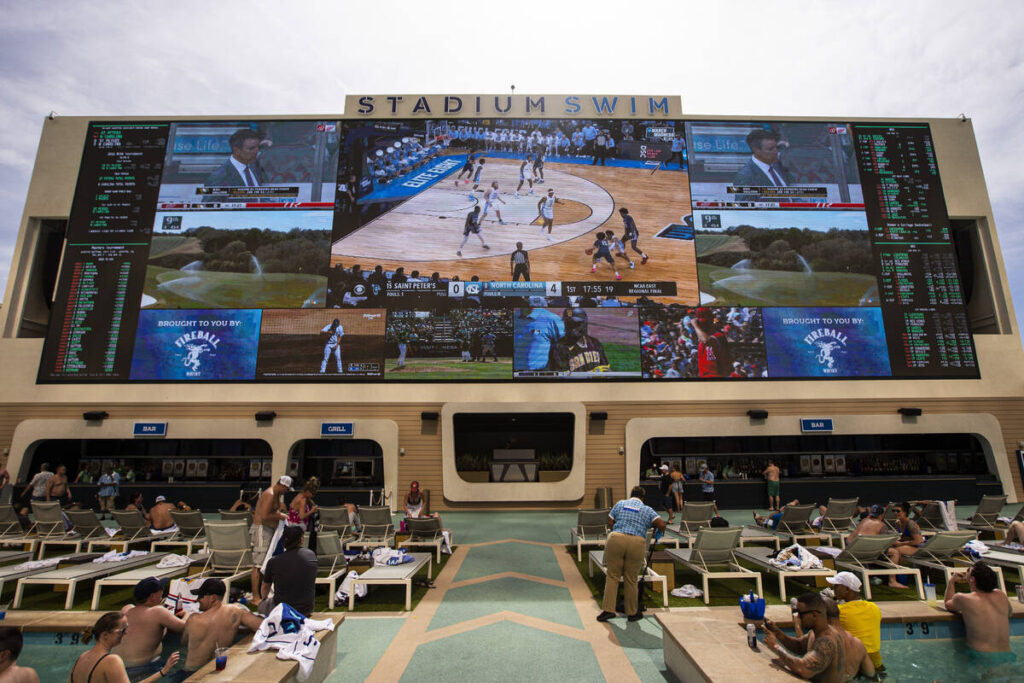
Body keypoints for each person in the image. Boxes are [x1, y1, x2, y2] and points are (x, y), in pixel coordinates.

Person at [596, 486, 666, 623]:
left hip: (616, 538)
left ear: (631, 495)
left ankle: (608, 611)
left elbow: (610, 521)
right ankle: (632, 613)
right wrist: (658, 531)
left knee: (612, 576)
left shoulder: (620, 504)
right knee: (631, 579)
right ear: (643, 498)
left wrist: (619, 528)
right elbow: (661, 524)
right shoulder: (647, 509)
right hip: (637, 541)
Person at [177, 579, 263, 681]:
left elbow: (183, 642)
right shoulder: (236, 612)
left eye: (201, 596)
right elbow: (262, 626)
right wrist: (239, 630)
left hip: (189, 674)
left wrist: (186, 615)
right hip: (216, 671)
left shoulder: (193, 619)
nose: (197, 600)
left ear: (213, 598)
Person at [70, 612, 179, 683]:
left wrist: (162, 671)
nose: (126, 633)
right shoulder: (111, 661)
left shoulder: (82, 657)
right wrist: (163, 672)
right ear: (105, 635)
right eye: (122, 631)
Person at [944, 561, 1016, 669]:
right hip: (1007, 655)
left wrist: (951, 581)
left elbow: (948, 603)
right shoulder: (1001, 595)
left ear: (972, 579)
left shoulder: (963, 598)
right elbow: (1009, 612)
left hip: (982, 657)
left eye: (969, 571)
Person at [114, 577, 188, 681]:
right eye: (160, 592)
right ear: (152, 596)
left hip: (118, 669)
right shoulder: (158, 612)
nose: (162, 593)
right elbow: (185, 627)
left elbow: (145, 632)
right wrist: (187, 614)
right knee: (180, 673)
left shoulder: (126, 609)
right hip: (144, 670)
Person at [761, 592, 845, 683]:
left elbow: (803, 669)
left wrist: (776, 646)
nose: (797, 617)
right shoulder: (816, 632)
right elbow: (799, 646)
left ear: (814, 615)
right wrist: (777, 633)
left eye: (801, 613)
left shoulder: (827, 641)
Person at [827, 571, 883, 671]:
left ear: (847, 589)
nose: (834, 589)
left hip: (853, 662)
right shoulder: (874, 608)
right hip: (875, 661)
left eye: (836, 586)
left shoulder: (839, 611)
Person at [261, 526, 317, 617]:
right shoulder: (310, 555)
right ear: (301, 540)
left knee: (262, 605)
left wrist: (264, 600)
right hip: (306, 609)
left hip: (282, 609)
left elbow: (265, 587)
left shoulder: (273, 561)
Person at [252, 476, 293, 597]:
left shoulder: (276, 495)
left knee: (266, 560)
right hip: (261, 530)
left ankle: (263, 592)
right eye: (287, 489)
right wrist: (280, 516)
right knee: (258, 564)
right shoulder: (270, 494)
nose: (287, 492)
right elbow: (264, 516)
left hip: (268, 530)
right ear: (283, 486)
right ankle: (255, 597)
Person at [549, 309, 610, 374]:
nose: (570, 327)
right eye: (567, 323)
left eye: (575, 324)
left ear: (584, 324)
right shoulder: (559, 347)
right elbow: (560, 377)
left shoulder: (595, 343)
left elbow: (607, 370)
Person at [513, 304, 564, 372]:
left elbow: (564, 347)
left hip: (540, 373)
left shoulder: (552, 319)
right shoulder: (513, 317)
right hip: (516, 374)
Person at [886, 501, 923, 588]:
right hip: (907, 545)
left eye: (898, 511)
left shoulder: (911, 524)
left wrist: (901, 543)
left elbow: (918, 541)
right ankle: (895, 576)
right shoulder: (898, 523)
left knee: (896, 551)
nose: (895, 513)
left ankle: (894, 579)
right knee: (889, 549)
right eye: (893, 511)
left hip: (917, 547)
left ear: (905, 512)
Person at [689, 308, 732, 378]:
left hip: (717, 375)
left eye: (705, 323)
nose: (703, 325)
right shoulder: (702, 338)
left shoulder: (719, 336)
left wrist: (695, 326)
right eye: (701, 323)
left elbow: (706, 340)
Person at [289, 478, 319, 551]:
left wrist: (311, 502)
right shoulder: (303, 500)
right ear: (308, 491)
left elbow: (312, 502)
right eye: (313, 494)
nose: (313, 496)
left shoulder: (301, 495)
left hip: (293, 524)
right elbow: (301, 516)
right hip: (297, 527)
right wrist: (311, 511)